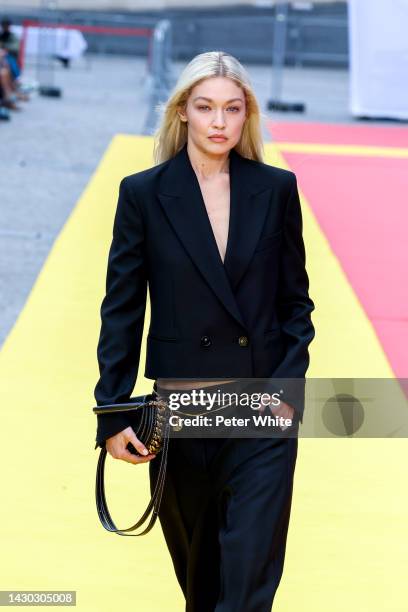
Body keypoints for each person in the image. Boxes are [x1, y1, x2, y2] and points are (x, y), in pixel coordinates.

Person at [93, 50, 315, 611]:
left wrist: (286, 394)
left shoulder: (276, 188)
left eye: (232, 108)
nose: (219, 122)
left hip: (262, 407)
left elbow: (296, 304)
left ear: (247, 116)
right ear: (182, 113)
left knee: (246, 583)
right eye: (206, 107)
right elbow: (122, 307)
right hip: (183, 407)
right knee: (202, 580)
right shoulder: (143, 194)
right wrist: (113, 411)